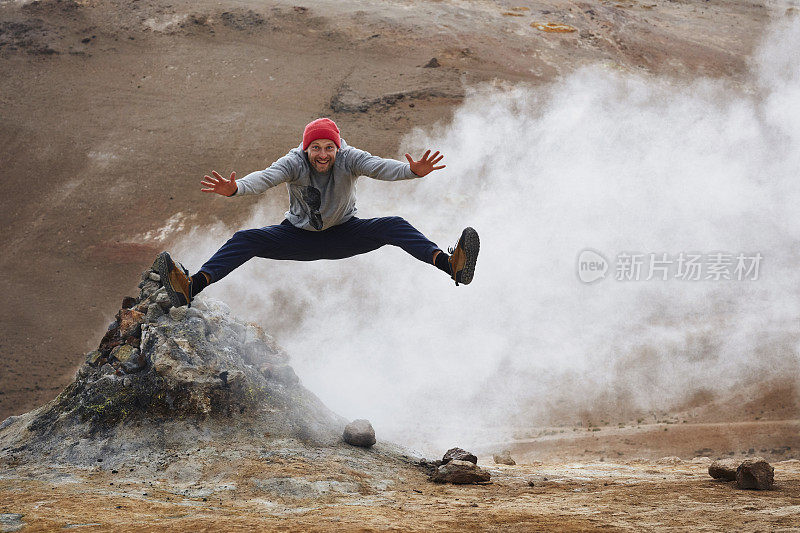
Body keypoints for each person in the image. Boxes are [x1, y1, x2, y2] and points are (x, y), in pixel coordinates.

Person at [156, 118, 479, 307]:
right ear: (305, 148)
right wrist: (236, 188)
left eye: (328, 148)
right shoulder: (293, 162)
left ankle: (451, 265)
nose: (322, 155)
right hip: (297, 237)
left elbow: (379, 167)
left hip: (345, 233)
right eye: (316, 148)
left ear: (338, 148)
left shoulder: (350, 157)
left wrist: (413, 172)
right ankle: (191, 287)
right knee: (246, 239)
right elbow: (265, 177)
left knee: (394, 226)